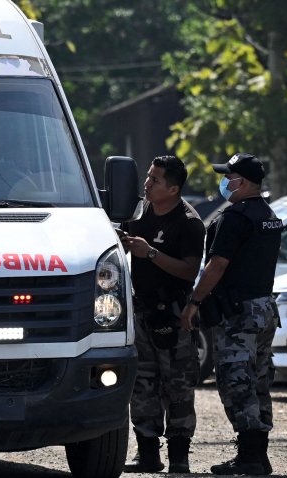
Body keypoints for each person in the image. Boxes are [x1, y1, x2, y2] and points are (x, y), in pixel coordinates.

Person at [180, 153, 282, 475]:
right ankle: (257, 455)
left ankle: (250, 457)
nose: (225, 182)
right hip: (263, 309)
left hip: (239, 314)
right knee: (260, 380)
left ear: (244, 182)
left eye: (230, 176)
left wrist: (194, 301)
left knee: (236, 379)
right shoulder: (268, 214)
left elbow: (217, 265)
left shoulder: (235, 217)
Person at [119, 156, 205, 473]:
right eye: (148, 176)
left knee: (178, 387)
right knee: (142, 385)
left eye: (155, 180)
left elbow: (189, 270)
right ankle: (147, 453)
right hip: (141, 310)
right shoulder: (141, 211)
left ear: (173, 188)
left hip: (174, 313)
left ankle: (179, 458)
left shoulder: (189, 222)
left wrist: (150, 253)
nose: (147, 183)